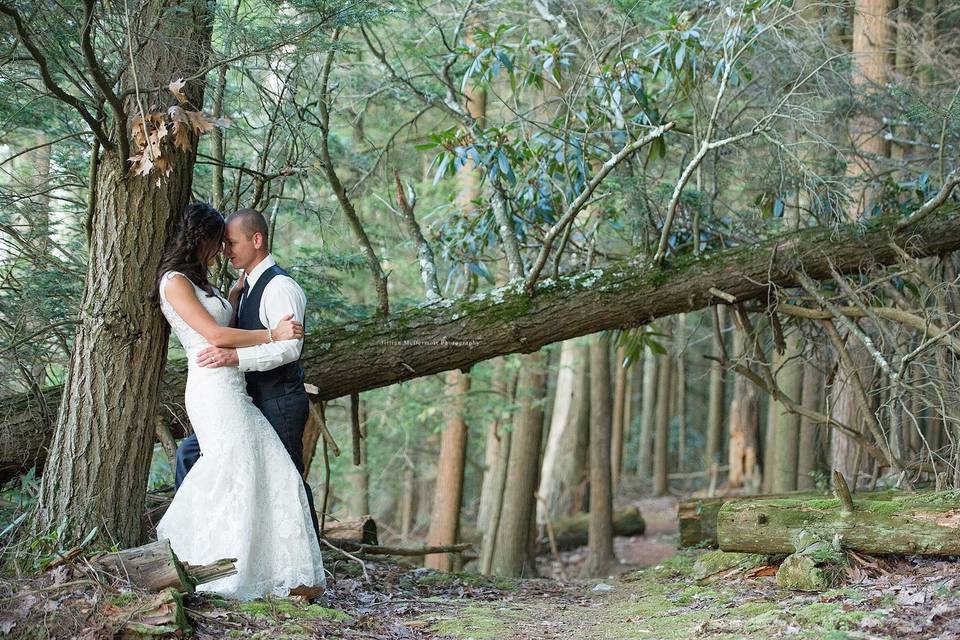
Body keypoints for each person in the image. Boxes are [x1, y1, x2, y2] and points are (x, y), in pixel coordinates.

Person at [154, 202, 324, 600]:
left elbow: (287, 349)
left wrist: (235, 316)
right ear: (201, 240)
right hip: (217, 389)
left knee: (271, 473)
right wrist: (269, 334)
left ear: (256, 240)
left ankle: (285, 570)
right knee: (229, 469)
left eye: (229, 242)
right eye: (220, 243)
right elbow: (217, 335)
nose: (224, 250)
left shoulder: (275, 286)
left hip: (260, 393)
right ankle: (206, 559)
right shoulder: (177, 281)